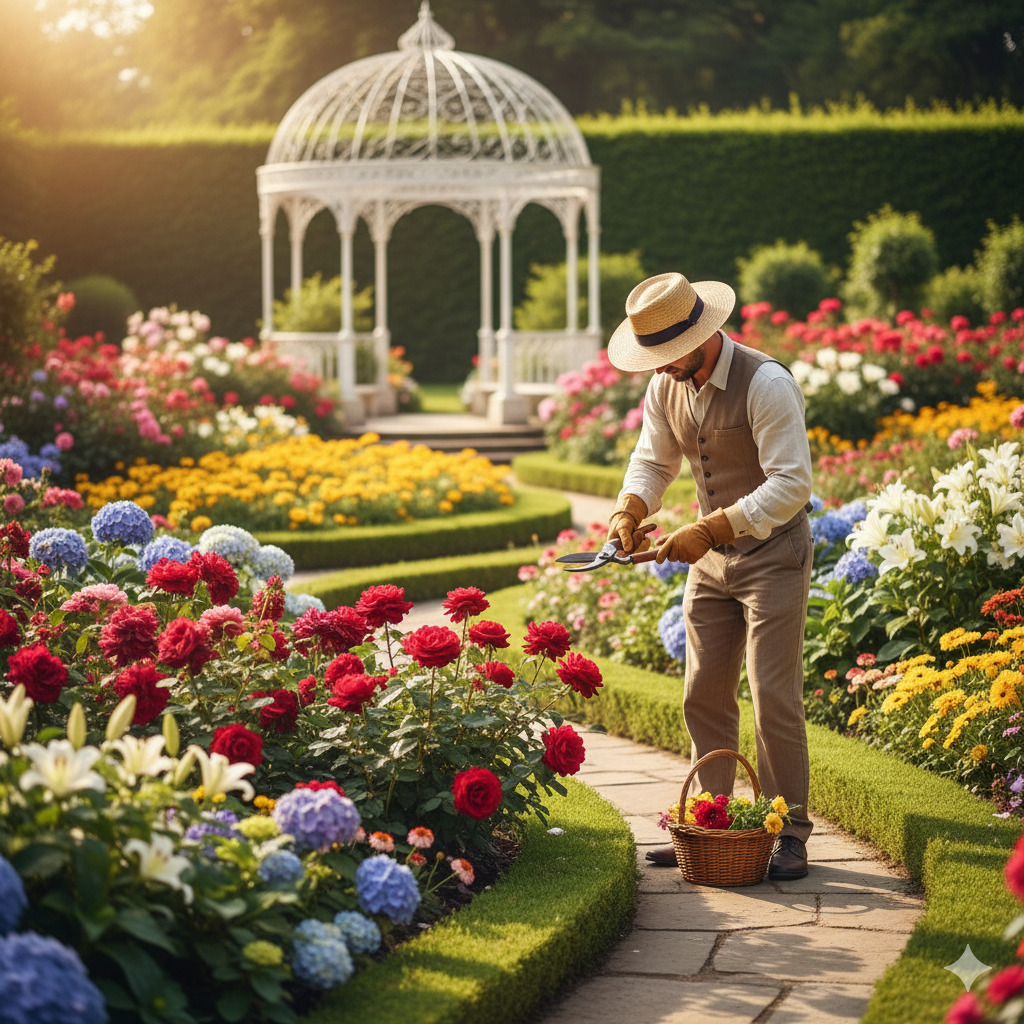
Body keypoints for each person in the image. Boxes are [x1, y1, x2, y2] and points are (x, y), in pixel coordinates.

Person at [605, 271, 814, 881]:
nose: (665, 366)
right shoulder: (666, 386)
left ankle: (788, 832)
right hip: (713, 563)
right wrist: (631, 508)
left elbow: (791, 486)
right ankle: (710, 818)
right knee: (704, 694)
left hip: (774, 554)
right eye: (658, 356)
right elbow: (652, 458)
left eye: (673, 354)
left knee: (773, 697)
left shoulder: (766, 383)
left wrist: (710, 528)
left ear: (705, 333)